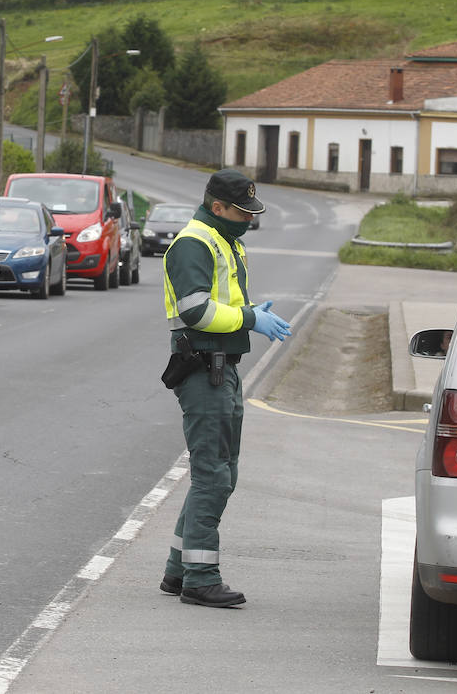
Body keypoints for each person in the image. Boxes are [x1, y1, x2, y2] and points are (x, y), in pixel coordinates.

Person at [159, 168, 292, 607]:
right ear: (217, 207)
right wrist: (252, 319)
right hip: (203, 369)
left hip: (222, 367)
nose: (249, 220)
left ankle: (179, 570)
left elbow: (224, 302)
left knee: (221, 472)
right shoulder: (195, 243)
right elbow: (196, 310)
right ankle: (200, 577)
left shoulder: (224, 240)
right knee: (213, 475)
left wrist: (251, 310)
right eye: (242, 212)